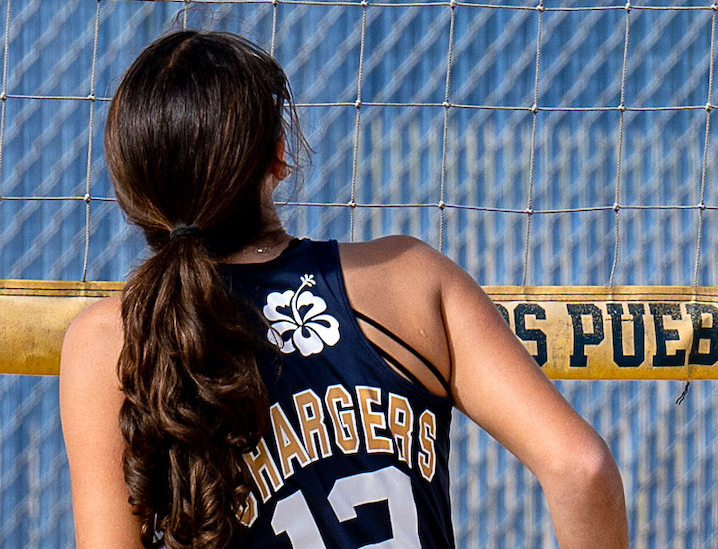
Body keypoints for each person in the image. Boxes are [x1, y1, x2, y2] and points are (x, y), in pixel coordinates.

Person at [59, 29, 627, 549]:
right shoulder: (409, 276)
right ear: (278, 157)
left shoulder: (108, 341)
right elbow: (582, 468)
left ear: (132, 188)